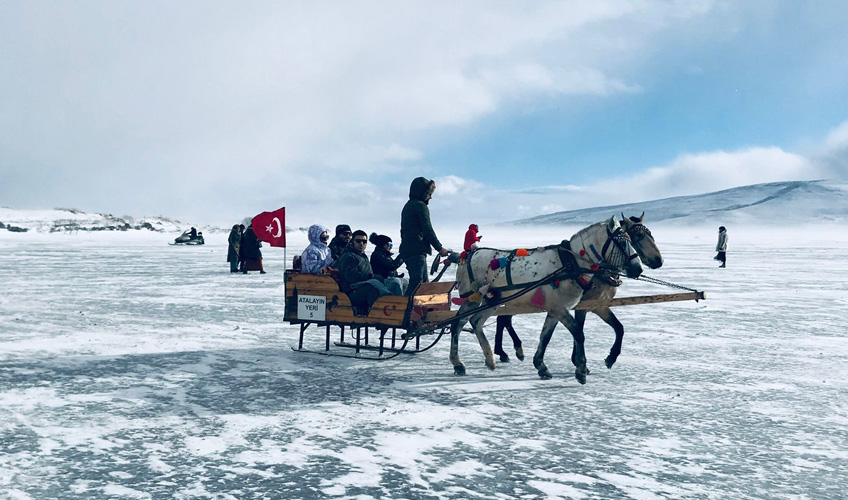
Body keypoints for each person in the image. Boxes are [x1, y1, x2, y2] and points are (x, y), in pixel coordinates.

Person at [399, 177, 449, 296]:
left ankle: (420, 310)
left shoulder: (409, 205)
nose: (430, 197)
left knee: (424, 285)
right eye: (428, 194)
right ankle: (406, 309)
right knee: (417, 284)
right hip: (416, 250)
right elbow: (427, 229)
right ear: (422, 193)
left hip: (410, 249)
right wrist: (439, 248)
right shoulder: (420, 206)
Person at [336, 230, 402, 310]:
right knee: (373, 287)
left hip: (360, 287)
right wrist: (371, 276)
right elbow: (351, 275)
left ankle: (399, 305)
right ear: (352, 242)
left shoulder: (362, 256)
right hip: (350, 291)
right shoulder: (349, 256)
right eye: (358, 241)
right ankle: (379, 312)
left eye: (364, 241)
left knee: (394, 282)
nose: (361, 243)